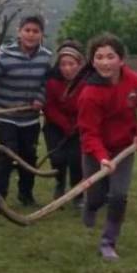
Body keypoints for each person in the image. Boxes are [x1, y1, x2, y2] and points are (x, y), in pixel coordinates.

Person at [77, 33, 137, 261]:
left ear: (121, 59)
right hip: (95, 151)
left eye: (110, 56)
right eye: (99, 57)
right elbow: (89, 132)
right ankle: (90, 206)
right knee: (96, 197)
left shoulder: (136, 82)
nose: (105, 62)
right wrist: (102, 157)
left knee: (118, 195)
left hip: (124, 148)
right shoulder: (89, 94)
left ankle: (108, 242)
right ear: (92, 62)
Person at [0, 15, 52, 208]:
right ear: (19, 32)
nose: (31, 35)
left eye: (35, 31)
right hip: (5, 115)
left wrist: (40, 99)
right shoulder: (4, 55)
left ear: (41, 34)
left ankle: (26, 195)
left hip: (30, 118)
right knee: (7, 153)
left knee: (29, 155)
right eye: (27, 30)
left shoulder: (45, 57)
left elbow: (46, 83)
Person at [44, 41, 85, 205]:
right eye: (63, 64)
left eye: (71, 64)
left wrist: (76, 125)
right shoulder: (52, 82)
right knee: (58, 158)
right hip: (55, 126)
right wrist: (65, 125)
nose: (67, 68)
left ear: (79, 64)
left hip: (79, 128)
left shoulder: (86, 83)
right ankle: (59, 184)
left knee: (77, 161)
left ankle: (78, 194)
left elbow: (87, 107)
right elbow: (50, 107)